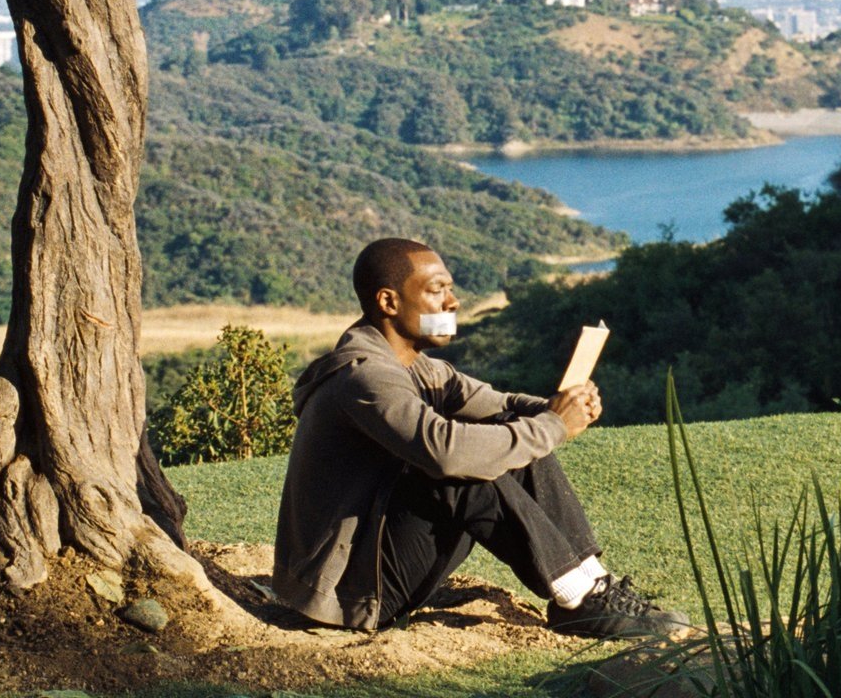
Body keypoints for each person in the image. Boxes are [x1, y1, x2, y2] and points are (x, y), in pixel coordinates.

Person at [271, 237, 688, 639]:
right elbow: (446, 454)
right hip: (347, 591)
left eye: (451, 291)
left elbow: (495, 403)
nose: (452, 304)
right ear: (388, 302)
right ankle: (578, 597)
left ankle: (590, 587)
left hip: (375, 563)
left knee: (508, 432)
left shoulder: (417, 367)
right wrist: (554, 425)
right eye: (438, 292)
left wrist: (555, 407)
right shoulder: (366, 376)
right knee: (459, 470)